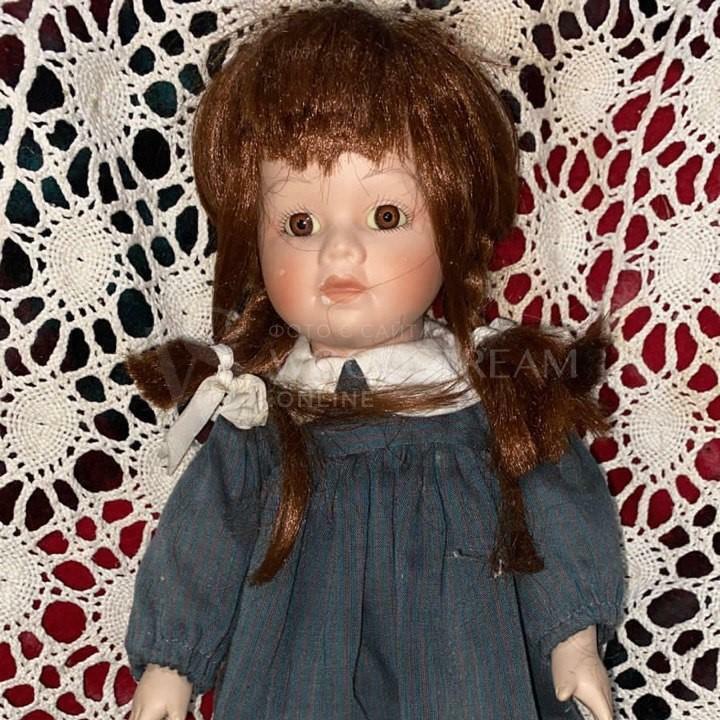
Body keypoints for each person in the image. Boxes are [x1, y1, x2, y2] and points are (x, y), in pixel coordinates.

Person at [123, 3, 625, 719]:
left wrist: (571, 638)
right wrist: (172, 664)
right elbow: (207, 535)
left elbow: (554, 506)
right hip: (298, 675)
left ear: (452, 220)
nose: (339, 251)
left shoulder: (486, 398)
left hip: (461, 669)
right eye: (300, 223)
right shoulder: (263, 421)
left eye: (386, 217)